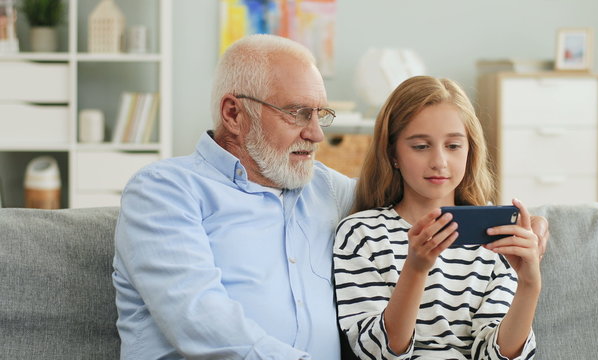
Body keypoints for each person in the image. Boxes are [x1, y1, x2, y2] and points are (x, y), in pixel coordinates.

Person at [113, 34, 548, 359]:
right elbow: (200, 324)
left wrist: (536, 226)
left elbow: (416, 200)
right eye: (298, 113)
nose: (317, 133)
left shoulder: (328, 190)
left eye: (320, 114)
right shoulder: (164, 191)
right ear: (233, 114)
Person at [334, 76, 541, 359]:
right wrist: (416, 269)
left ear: (471, 151)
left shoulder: (496, 236)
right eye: (420, 146)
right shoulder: (361, 234)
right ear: (392, 153)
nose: (439, 162)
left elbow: (496, 355)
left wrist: (529, 285)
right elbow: (377, 352)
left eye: (453, 146)